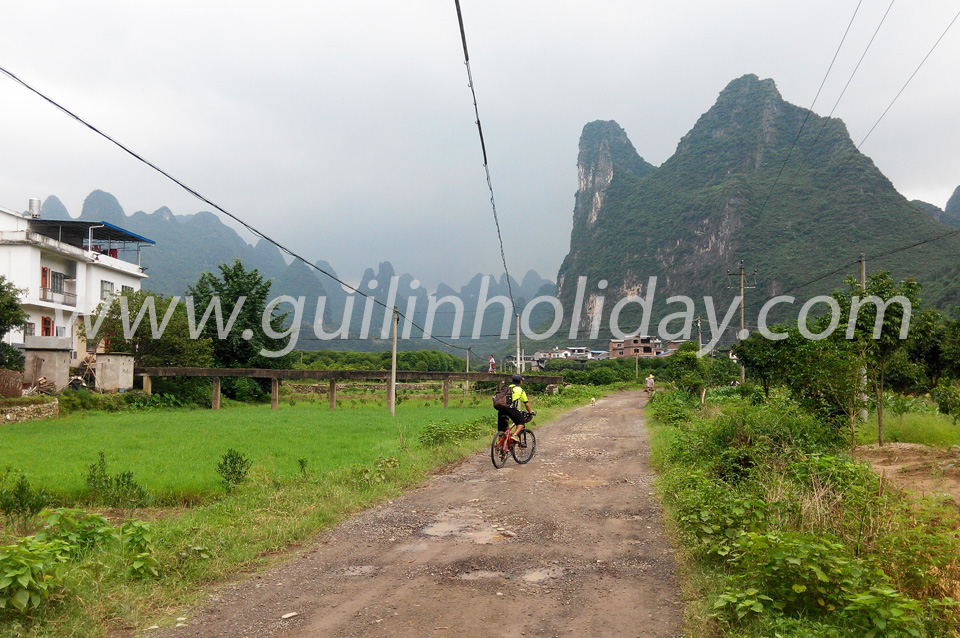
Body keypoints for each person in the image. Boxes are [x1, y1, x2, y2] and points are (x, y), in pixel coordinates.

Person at [497, 373, 532, 443]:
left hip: (501, 409)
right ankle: (515, 435)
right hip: (510, 409)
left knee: (502, 431)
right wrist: (530, 413)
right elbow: (526, 404)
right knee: (521, 421)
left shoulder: (506, 388)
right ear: (520, 382)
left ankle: (500, 449)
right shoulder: (520, 390)